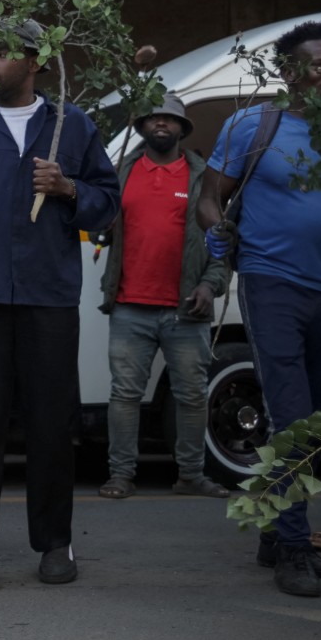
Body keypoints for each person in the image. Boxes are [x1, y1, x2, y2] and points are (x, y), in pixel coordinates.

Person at [0, 19, 120, 592]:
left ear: (35, 61)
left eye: (1, 51)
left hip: (47, 297)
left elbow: (106, 205)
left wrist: (69, 189)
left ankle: (55, 543)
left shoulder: (72, 127)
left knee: (52, 424)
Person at [199, 19, 321, 597]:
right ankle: (295, 549)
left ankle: (275, 529)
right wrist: (220, 231)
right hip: (273, 283)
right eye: (312, 64)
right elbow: (210, 196)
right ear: (288, 72)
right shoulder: (255, 124)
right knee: (295, 418)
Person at [96, 93, 230, 502]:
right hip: (129, 306)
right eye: (153, 118)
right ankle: (121, 475)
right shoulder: (120, 173)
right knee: (124, 396)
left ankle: (190, 476)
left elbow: (223, 245)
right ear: (141, 127)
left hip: (185, 309)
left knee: (192, 396)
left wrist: (210, 286)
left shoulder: (204, 179)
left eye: (169, 120)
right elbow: (99, 222)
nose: (161, 125)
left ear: (182, 130)